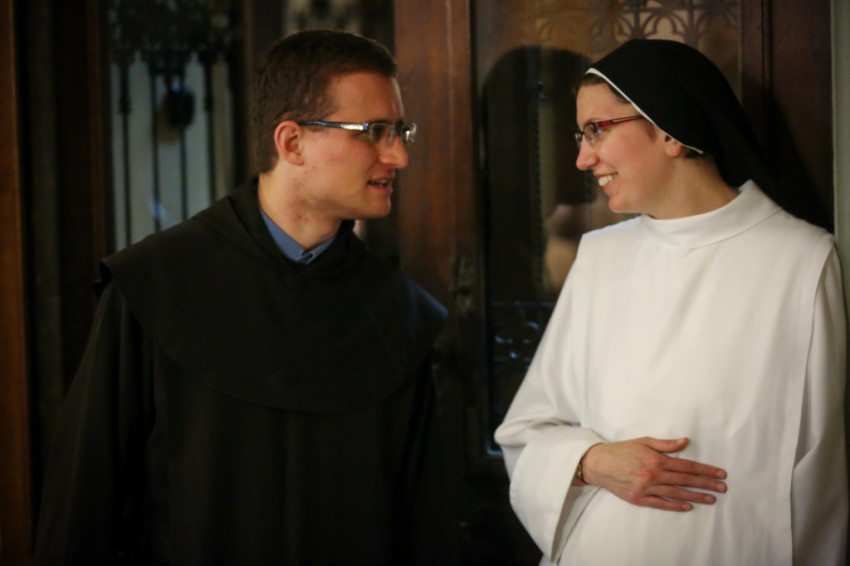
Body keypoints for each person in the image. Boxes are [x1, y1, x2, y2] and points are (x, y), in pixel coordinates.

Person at [33, 29, 455, 565]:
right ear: (292, 142)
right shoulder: (153, 285)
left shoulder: (401, 315)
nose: (398, 155)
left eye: (399, 131)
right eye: (373, 131)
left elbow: (425, 525)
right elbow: (83, 503)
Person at [495, 39, 847, 565]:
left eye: (597, 130)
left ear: (668, 130)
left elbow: (823, 473)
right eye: (580, 135)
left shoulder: (800, 260)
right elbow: (527, 431)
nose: (583, 158)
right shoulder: (600, 257)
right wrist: (590, 461)